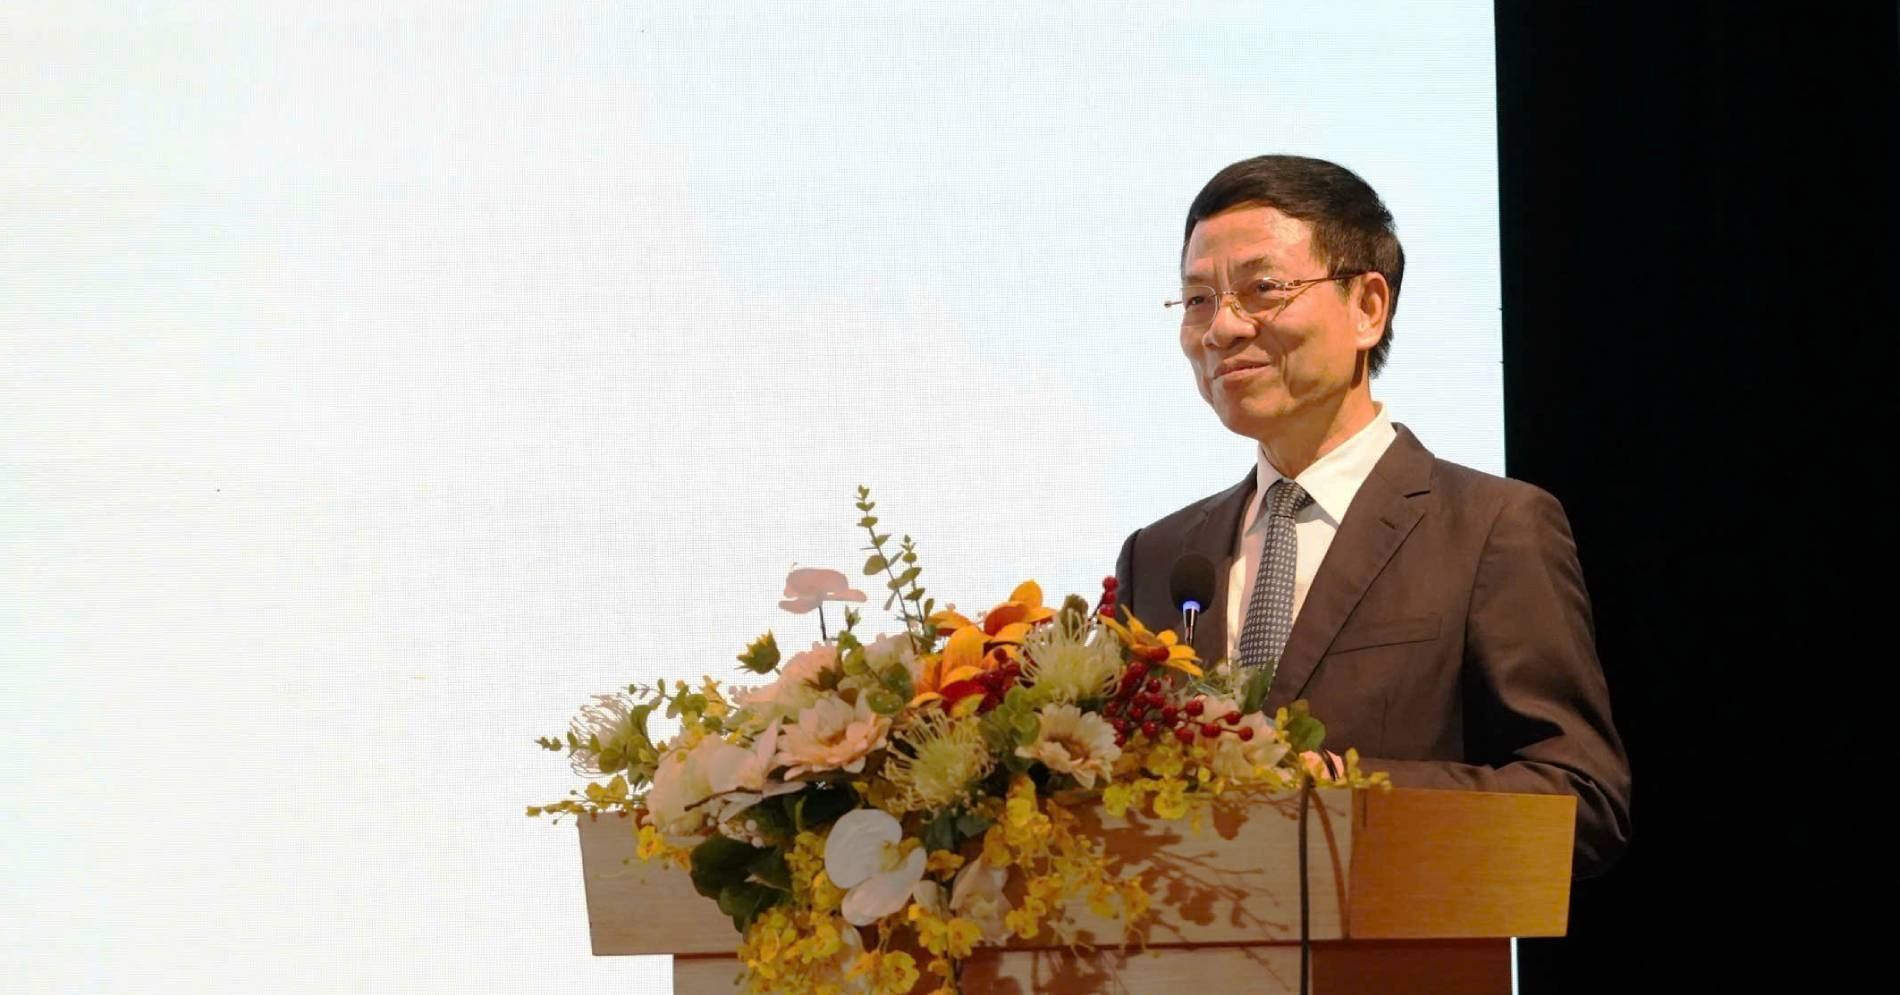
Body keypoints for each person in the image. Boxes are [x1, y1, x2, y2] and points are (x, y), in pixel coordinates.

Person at [1113, 155, 1631, 877]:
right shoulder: (1159, 555)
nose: (1222, 328)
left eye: (1263, 289)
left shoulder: (1491, 528)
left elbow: (1581, 800)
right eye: (1198, 299)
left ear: (1368, 307)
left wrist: (1342, 791)